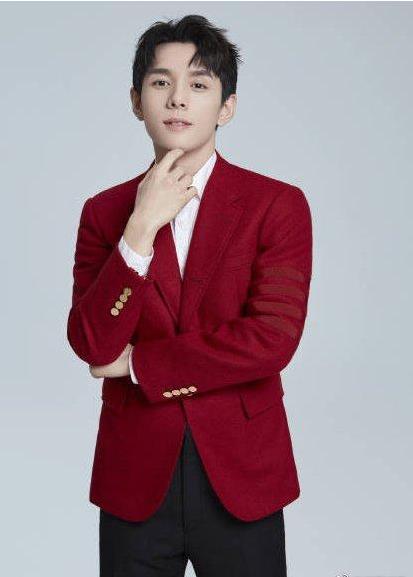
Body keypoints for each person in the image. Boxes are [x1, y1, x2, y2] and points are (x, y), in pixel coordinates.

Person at [67, 14, 313, 577]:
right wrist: (139, 229)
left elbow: (271, 339)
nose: (178, 98)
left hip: (242, 471)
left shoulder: (276, 205)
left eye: (199, 84)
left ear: (227, 106)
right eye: (161, 82)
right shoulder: (104, 213)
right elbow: (91, 343)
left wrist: (139, 365)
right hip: (134, 476)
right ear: (137, 101)